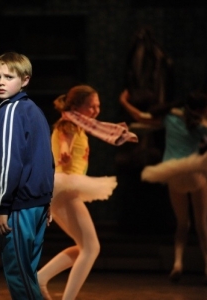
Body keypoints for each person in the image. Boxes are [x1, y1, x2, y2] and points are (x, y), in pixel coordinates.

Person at [38, 85, 138, 300]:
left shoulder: (79, 126)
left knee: (85, 247)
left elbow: (98, 129)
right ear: (76, 107)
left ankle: (39, 279)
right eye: (91, 107)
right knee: (91, 248)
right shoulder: (68, 124)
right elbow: (65, 141)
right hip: (64, 189)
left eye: (98, 106)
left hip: (62, 191)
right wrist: (64, 151)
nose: (95, 111)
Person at [120, 89, 207, 283]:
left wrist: (123, 101)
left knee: (182, 223)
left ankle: (177, 263)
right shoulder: (201, 124)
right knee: (202, 224)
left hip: (172, 173)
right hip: (194, 172)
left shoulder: (170, 118)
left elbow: (139, 116)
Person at [0, 52, 55, 299]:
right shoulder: (34, 110)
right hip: (38, 204)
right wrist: (48, 198)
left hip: (20, 206)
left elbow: (10, 161)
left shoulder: (10, 110)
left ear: (25, 80)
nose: (1, 82)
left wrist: (3, 207)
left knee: (19, 275)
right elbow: (47, 159)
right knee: (27, 272)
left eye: (9, 76)